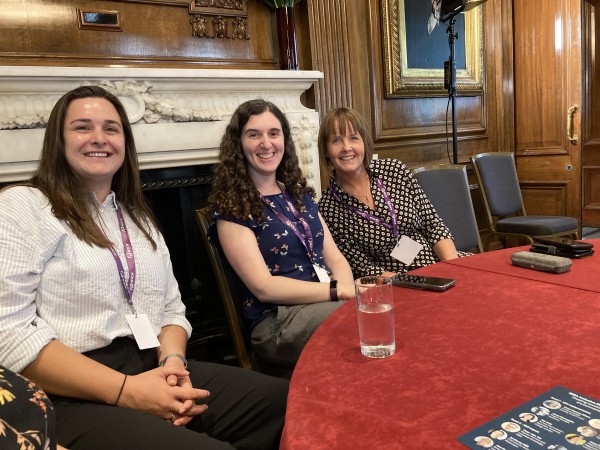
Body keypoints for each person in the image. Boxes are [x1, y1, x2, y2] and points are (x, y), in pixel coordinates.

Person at [0, 86, 288, 450]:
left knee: (286, 402)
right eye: (82, 127)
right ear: (58, 139)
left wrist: (173, 366)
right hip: (71, 391)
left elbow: (172, 309)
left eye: (111, 128)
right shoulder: (23, 206)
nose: (98, 138)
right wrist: (128, 391)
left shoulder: (137, 218)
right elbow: (9, 335)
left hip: (154, 363)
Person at [207, 99, 355, 370]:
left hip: (325, 304)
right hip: (277, 322)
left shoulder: (298, 195)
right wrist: (338, 292)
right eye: (254, 135)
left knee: (377, 307)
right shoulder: (233, 208)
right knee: (364, 317)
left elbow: (335, 259)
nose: (266, 143)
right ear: (238, 144)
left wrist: (348, 294)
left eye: (273, 133)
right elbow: (264, 288)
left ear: (284, 140)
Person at [318, 107, 460, 278]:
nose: (346, 147)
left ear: (364, 142)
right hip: (396, 283)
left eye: (354, 138)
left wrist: (454, 268)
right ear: (326, 150)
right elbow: (364, 269)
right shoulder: (327, 208)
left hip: (443, 263)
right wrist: (419, 282)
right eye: (336, 141)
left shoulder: (394, 170)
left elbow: (433, 225)